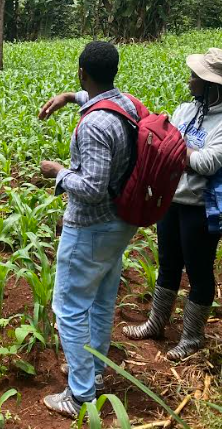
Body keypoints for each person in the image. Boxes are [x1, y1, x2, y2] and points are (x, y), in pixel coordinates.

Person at [123, 48, 222, 360]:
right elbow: (168, 144)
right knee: (167, 263)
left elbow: (208, 163)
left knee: (198, 270)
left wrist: (172, 151)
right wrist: (175, 152)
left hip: (202, 205)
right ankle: (156, 323)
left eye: (196, 77)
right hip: (173, 197)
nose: (190, 81)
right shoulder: (188, 109)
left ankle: (192, 338)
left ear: (213, 85)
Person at [37, 41, 139, 419]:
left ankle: (79, 395)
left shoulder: (95, 125)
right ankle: (94, 368)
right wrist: (68, 96)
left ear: (82, 71)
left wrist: (58, 172)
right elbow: (93, 95)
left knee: (68, 308)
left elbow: (93, 188)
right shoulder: (124, 103)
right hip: (121, 223)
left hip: (93, 226)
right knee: (101, 299)